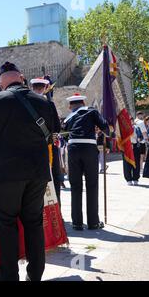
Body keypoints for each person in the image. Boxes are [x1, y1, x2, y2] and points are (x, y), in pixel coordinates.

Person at [0, 63, 56, 281]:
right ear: (21, 78)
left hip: (6, 174)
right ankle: (36, 274)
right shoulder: (43, 101)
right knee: (34, 223)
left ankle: (9, 275)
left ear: (2, 81)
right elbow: (54, 130)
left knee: (7, 224)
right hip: (37, 172)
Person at [63, 93, 109, 231]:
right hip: (89, 148)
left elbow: (64, 133)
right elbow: (105, 126)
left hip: (73, 149)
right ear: (83, 103)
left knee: (75, 186)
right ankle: (93, 222)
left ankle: (77, 222)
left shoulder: (69, 117)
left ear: (71, 106)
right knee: (92, 184)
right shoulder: (92, 111)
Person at [30, 77, 62, 206]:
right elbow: (57, 127)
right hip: (48, 146)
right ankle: (55, 208)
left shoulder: (27, 103)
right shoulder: (49, 104)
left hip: (31, 148)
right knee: (54, 178)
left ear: (32, 88)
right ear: (44, 89)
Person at [123, 117, 142, 186]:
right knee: (127, 164)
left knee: (136, 163)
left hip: (135, 146)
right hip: (127, 148)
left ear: (133, 121)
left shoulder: (136, 128)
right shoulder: (124, 128)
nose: (130, 122)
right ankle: (128, 179)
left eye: (131, 121)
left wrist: (139, 138)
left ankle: (135, 178)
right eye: (128, 121)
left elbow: (140, 136)